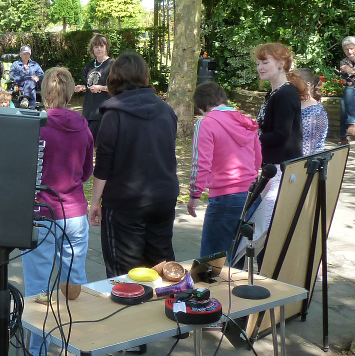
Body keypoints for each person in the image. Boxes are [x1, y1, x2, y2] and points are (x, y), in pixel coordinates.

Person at [20, 68, 94, 356]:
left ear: (44, 93)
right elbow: (87, 171)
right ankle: (78, 339)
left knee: (38, 286)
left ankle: (38, 347)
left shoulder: (35, 125)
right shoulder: (83, 127)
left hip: (42, 212)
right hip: (73, 212)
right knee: (74, 280)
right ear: (71, 92)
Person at [88, 52, 178, 281]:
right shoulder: (166, 110)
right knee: (161, 267)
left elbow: (104, 163)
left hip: (126, 202)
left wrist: (95, 201)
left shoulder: (114, 114)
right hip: (163, 197)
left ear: (113, 78)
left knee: (125, 275)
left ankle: (131, 313)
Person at [185, 82, 262, 259]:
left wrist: (195, 195)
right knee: (238, 255)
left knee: (213, 258)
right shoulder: (247, 122)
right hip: (251, 193)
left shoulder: (206, 124)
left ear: (202, 106)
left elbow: (201, 163)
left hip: (224, 196)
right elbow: (257, 159)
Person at [249, 42, 304, 240]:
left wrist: (249, 139)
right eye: (258, 63)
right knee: (263, 230)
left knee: (269, 232)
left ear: (281, 63)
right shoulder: (273, 93)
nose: (260, 67)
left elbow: (281, 134)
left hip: (282, 171)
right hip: (271, 169)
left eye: (265, 62)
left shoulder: (285, 94)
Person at [75, 33, 113, 141]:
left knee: (100, 144)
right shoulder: (90, 65)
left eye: (101, 46)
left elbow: (117, 88)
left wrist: (101, 88)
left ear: (106, 48)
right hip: (89, 111)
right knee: (88, 142)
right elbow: (88, 85)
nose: (99, 49)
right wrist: (82, 87)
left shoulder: (112, 65)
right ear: (92, 49)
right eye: (96, 47)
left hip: (103, 112)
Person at [297, 68, 328, 155]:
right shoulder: (297, 105)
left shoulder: (315, 112)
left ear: (307, 85)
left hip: (307, 164)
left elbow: (307, 149)